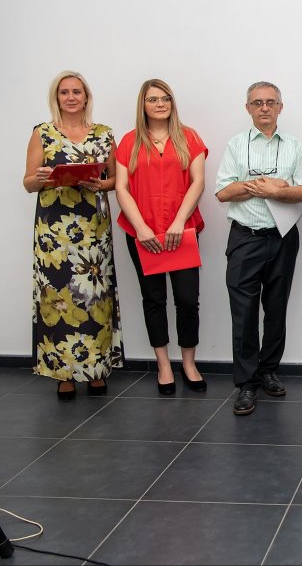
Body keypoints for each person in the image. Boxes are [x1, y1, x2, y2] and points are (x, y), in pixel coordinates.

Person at [215, 82, 302, 416]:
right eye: (257, 102)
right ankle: (247, 383)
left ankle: (268, 370)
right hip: (245, 237)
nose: (264, 108)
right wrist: (265, 185)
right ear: (247, 108)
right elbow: (223, 192)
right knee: (243, 313)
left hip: (283, 237)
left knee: (276, 308)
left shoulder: (294, 146)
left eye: (270, 102)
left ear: (280, 107)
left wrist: (277, 190)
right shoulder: (235, 145)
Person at [23, 70, 123, 401]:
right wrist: (41, 178)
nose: (70, 97)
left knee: (94, 297)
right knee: (56, 296)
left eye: (76, 91)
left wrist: (100, 183)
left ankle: (96, 370)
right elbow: (28, 182)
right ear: (57, 97)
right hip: (54, 233)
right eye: (64, 92)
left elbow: (116, 180)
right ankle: (62, 374)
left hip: (93, 228)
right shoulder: (43, 132)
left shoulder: (104, 134)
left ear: (86, 97)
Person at [114, 79, 208, 396]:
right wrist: (140, 227)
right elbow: (121, 188)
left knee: (187, 300)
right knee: (154, 299)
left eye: (165, 98)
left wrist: (179, 221)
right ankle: (164, 365)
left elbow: (197, 182)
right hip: (143, 234)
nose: (160, 104)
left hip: (181, 231)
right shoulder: (129, 142)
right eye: (153, 99)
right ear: (143, 104)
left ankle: (189, 364)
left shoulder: (189, 137)